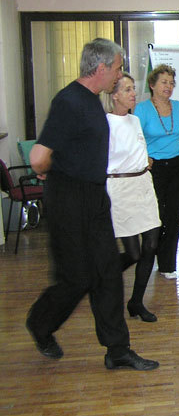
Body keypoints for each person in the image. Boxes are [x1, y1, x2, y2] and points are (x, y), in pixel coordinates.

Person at [26, 38, 158, 370]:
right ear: (100, 69)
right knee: (76, 278)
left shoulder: (91, 102)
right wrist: (50, 173)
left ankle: (117, 349)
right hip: (69, 201)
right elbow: (38, 158)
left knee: (108, 273)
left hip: (96, 198)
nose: (119, 74)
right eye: (117, 68)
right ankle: (40, 325)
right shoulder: (69, 101)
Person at [135, 64, 179, 278]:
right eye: (164, 82)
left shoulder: (178, 106)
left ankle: (167, 265)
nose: (169, 86)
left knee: (174, 215)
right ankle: (152, 254)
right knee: (158, 216)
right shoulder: (142, 109)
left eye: (172, 83)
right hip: (154, 167)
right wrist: (143, 156)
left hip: (177, 165)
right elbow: (136, 137)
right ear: (152, 85)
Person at [105, 73, 162, 322]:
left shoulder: (135, 120)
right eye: (127, 89)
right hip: (121, 189)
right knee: (134, 253)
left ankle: (136, 302)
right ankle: (101, 274)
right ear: (114, 94)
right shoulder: (104, 124)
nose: (133, 93)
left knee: (151, 245)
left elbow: (140, 149)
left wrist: (146, 159)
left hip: (143, 185)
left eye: (133, 89)